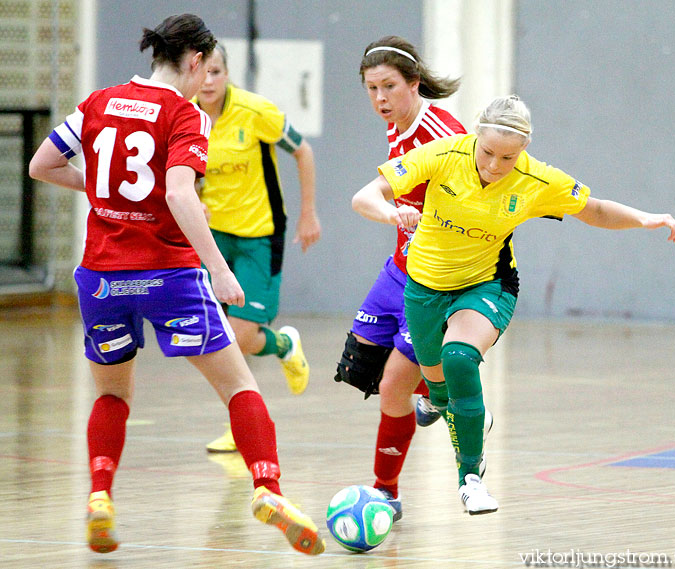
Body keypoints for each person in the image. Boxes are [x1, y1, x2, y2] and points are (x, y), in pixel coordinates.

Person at [28, 14, 324, 556]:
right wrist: (219, 268)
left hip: (100, 278)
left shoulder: (97, 102)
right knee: (239, 387)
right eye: (203, 69)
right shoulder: (186, 114)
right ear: (193, 62)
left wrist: (100, 190)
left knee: (113, 393)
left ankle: (99, 496)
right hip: (168, 275)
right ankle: (268, 489)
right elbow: (180, 194)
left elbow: (42, 165)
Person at [351, 94, 675, 515]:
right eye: (488, 152)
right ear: (475, 137)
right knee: (439, 387)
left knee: (459, 357)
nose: (494, 165)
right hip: (425, 288)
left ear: (523, 149)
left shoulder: (535, 179)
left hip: (488, 284)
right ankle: (449, 404)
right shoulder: (442, 154)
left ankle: (470, 480)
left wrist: (645, 218)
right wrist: (390, 213)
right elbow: (366, 195)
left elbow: (593, 209)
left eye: (507, 157)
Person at [334, 36, 486, 522]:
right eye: (371, 88)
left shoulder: (442, 135)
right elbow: (383, 194)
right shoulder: (397, 126)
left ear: (414, 84)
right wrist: (395, 212)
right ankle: (432, 393)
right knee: (363, 365)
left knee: (395, 382)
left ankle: (386, 493)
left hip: (439, 277)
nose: (380, 98)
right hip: (401, 266)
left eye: (389, 87)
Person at [194, 44, 321, 454]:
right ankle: (238, 425)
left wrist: (308, 214)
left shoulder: (256, 111)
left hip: (259, 237)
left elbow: (303, 151)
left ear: (228, 73)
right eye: (202, 73)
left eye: (216, 72)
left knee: (240, 334)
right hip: (212, 240)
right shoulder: (184, 114)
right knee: (217, 338)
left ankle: (284, 345)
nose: (209, 81)